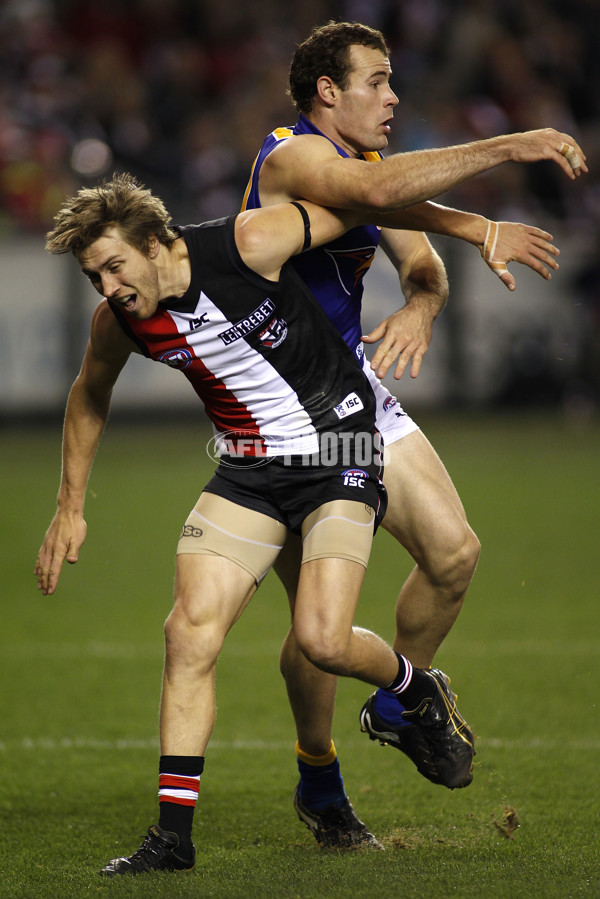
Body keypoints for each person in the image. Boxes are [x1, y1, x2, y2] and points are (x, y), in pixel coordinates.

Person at [35, 113, 584, 874]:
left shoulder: (249, 242)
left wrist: (476, 227)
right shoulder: (121, 322)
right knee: (187, 632)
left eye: (116, 266)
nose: (109, 286)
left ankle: (412, 689)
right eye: (95, 275)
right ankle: (172, 839)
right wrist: (70, 504)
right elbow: (87, 394)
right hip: (250, 470)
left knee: (323, 639)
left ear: (156, 242)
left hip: (340, 450)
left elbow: (370, 201)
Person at [242, 20, 587, 847]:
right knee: (318, 630)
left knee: (455, 552)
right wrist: (510, 147)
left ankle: (401, 704)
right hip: (286, 413)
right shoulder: (288, 155)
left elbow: (414, 253)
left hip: (356, 394)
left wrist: (423, 304)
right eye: (378, 81)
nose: (394, 97)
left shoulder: (368, 171)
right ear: (329, 90)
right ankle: (321, 781)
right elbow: (376, 195)